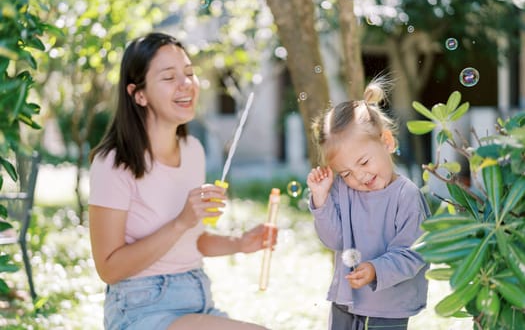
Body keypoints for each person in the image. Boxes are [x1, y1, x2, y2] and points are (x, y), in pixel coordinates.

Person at [88, 32, 275, 330]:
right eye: (169, 77)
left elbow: (192, 243)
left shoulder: (193, 152)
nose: (186, 83)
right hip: (141, 309)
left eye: (189, 73)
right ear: (139, 94)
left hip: (198, 300)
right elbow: (108, 268)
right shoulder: (113, 163)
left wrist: (240, 243)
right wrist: (180, 221)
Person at [306, 78, 431, 330]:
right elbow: (335, 241)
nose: (359, 177)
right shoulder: (343, 190)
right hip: (346, 301)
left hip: (388, 308)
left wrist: (376, 269)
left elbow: (415, 252)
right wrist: (321, 199)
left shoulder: (406, 196)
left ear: (387, 142)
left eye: (363, 163)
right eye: (346, 173)